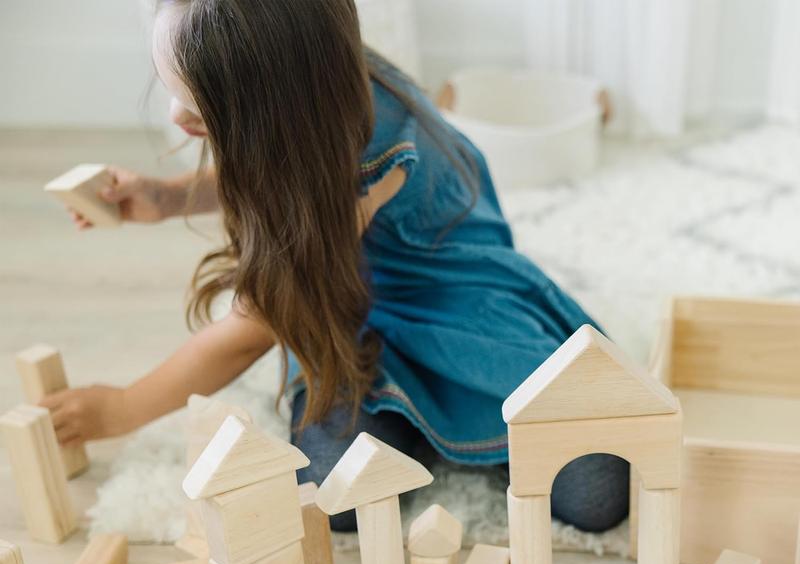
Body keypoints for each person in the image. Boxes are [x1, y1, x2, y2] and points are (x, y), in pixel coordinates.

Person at [46, 0, 629, 531]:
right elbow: (271, 166)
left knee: (597, 488)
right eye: (171, 86)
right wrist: (171, 196)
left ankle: (447, 426)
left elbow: (248, 333)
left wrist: (124, 407)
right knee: (337, 493)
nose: (176, 114)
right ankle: (416, 425)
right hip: (354, 305)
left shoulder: (362, 160)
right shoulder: (315, 75)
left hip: (457, 302)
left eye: (196, 102)